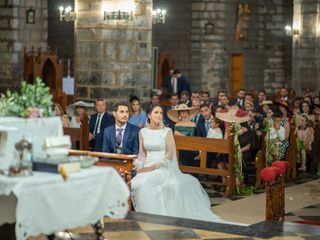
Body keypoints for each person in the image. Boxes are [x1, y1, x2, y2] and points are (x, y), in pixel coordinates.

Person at [131, 105, 226, 222]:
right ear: (149, 115)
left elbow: (169, 155)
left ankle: (151, 218)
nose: (159, 115)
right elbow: (142, 154)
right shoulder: (143, 132)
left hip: (162, 167)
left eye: (161, 113)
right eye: (156, 112)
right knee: (135, 182)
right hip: (147, 166)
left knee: (145, 183)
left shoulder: (167, 131)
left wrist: (153, 167)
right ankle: (139, 215)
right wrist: (138, 164)